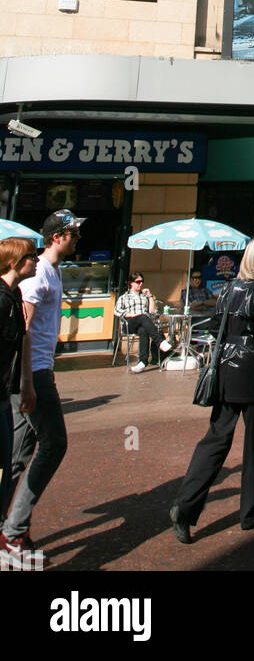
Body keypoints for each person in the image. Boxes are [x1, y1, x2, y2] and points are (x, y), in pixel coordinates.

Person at [170, 238, 254, 542]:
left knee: (216, 439)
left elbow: (215, 326)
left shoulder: (228, 290)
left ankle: (185, 505)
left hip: (225, 372)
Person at [0, 209, 85, 562]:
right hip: (33, 374)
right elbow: (24, 328)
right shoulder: (37, 276)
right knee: (55, 445)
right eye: (73, 234)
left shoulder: (48, 270)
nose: (77, 238)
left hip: (34, 372)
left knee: (17, 456)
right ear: (57, 237)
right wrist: (29, 381)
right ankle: (12, 532)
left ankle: (8, 526)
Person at [0, 239, 37, 536]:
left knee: (5, 461)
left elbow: (23, 339)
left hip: (4, 394)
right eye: (30, 256)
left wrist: (25, 384)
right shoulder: (1, 299)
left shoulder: (14, 295)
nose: (35, 260)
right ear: (14, 263)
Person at [114, 272, 174, 371]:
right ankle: (160, 342)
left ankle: (142, 362)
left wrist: (150, 296)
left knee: (143, 330)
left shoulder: (144, 296)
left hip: (143, 323)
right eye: (138, 282)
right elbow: (116, 310)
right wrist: (129, 314)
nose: (140, 284)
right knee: (143, 317)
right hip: (129, 322)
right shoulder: (124, 297)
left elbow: (152, 311)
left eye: (142, 282)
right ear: (131, 283)